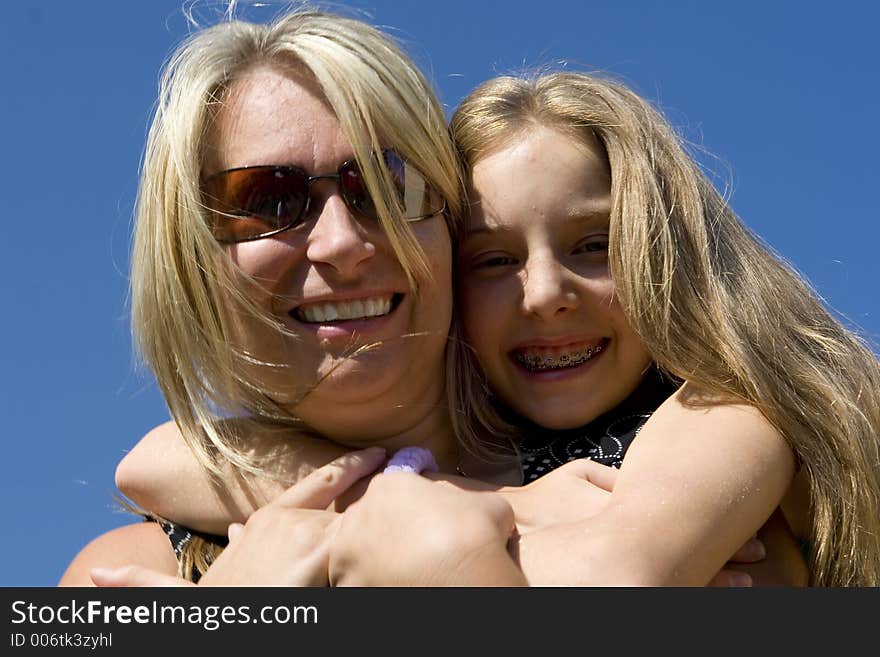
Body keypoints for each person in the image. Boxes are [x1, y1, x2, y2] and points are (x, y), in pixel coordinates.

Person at [60, 9, 803, 588]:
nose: (342, 243)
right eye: (267, 199)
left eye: (387, 185)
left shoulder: (663, 480)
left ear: (448, 224)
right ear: (189, 256)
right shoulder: (124, 571)